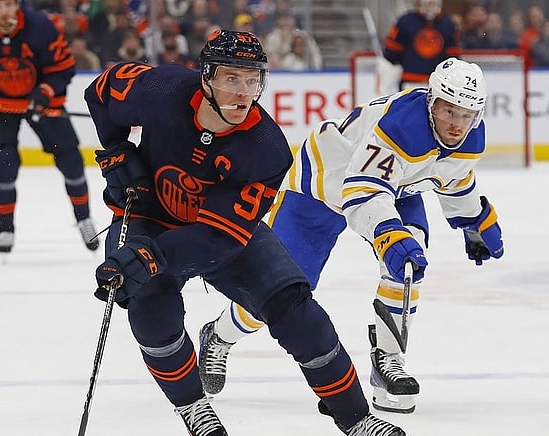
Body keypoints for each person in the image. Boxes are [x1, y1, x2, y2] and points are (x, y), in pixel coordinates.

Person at [85, 30, 407, 436]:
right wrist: (115, 149)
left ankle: (357, 420)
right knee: (151, 314)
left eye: (253, 79)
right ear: (205, 78)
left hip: (220, 236)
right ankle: (192, 406)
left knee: (298, 313)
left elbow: (219, 240)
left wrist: (151, 256)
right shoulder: (161, 87)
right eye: (231, 79)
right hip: (148, 217)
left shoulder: (266, 149)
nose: (244, 92)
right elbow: (100, 91)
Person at [198, 58, 504, 415]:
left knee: (408, 262)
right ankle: (219, 335)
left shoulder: (470, 136)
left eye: (466, 114)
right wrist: (388, 233)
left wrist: (475, 219)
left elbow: (451, 176)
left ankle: (387, 361)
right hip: (322, 187)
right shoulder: (401, 127)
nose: (457, 124)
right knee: (280, 292)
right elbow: (362, 190)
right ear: (431, 100)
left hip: (396, 189)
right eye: (449, 111)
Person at [0, 0, 99, 253]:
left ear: (18, 6)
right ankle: (5, 231)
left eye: (9, 4)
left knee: (70, 160)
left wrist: (45, 92)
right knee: (5, 162)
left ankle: (85, 219)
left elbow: (63, 67)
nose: (4, 12)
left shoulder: (40, 27)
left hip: (42, 101)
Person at [382, 0, 460, 89]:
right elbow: (391, 52)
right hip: (410, 80)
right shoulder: (405, 22)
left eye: (433, 3)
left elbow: (453, 57)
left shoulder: (448, 25)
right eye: (428, 3)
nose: (430, 7)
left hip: (437, 83)